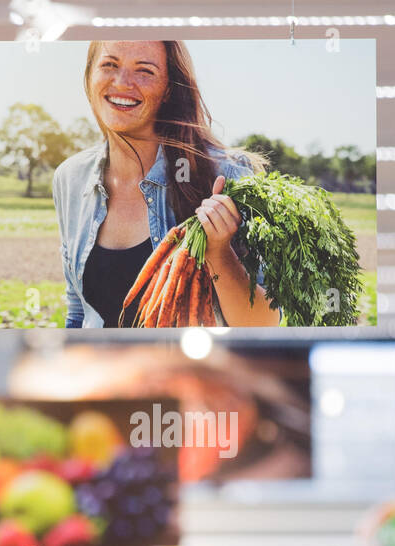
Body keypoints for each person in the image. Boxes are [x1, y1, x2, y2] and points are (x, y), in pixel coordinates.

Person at [52, 39, 280, 329]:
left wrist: (220, 254)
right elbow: (78, 311)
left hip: (192, 373)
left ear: (168, 89)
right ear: (89, 75)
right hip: (103, 371)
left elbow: (263, 324)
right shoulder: (70, 178)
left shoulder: (228, 176)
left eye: (144, 71)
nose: (122, 83)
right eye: (109, 65)